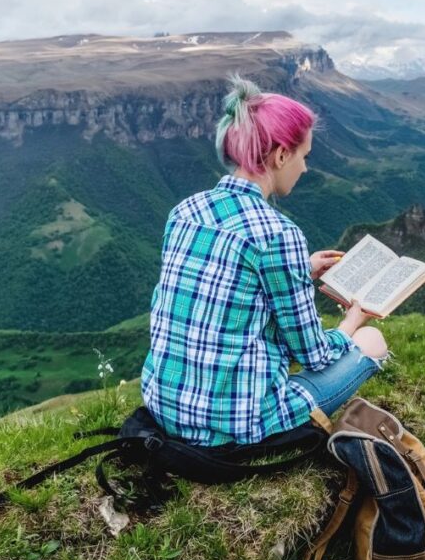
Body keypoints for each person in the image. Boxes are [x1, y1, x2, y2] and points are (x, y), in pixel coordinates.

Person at [140, 75, 388, 446]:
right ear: (281, 155)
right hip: (239, 426)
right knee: (373, 341)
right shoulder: (277, 234)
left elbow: (226, 277)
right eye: (303, 156)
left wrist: (300, 268)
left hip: (164, 408)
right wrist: (353, 319)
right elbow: (314, 355)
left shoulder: (184, 211)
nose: (304, 168)